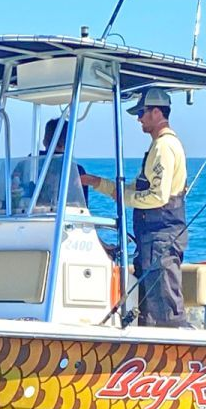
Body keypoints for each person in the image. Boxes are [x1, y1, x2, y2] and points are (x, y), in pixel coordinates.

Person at [80, 88, 189, 327]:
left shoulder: (163, 147)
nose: (138, 118)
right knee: (150, 308)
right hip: (153, 238)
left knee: (164, 310)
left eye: (142, 112)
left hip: (160, 238)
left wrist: (124, 199)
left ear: (157, 113)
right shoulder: (159, 147)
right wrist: (97, 183)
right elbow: (137, 190)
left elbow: (157, 196)